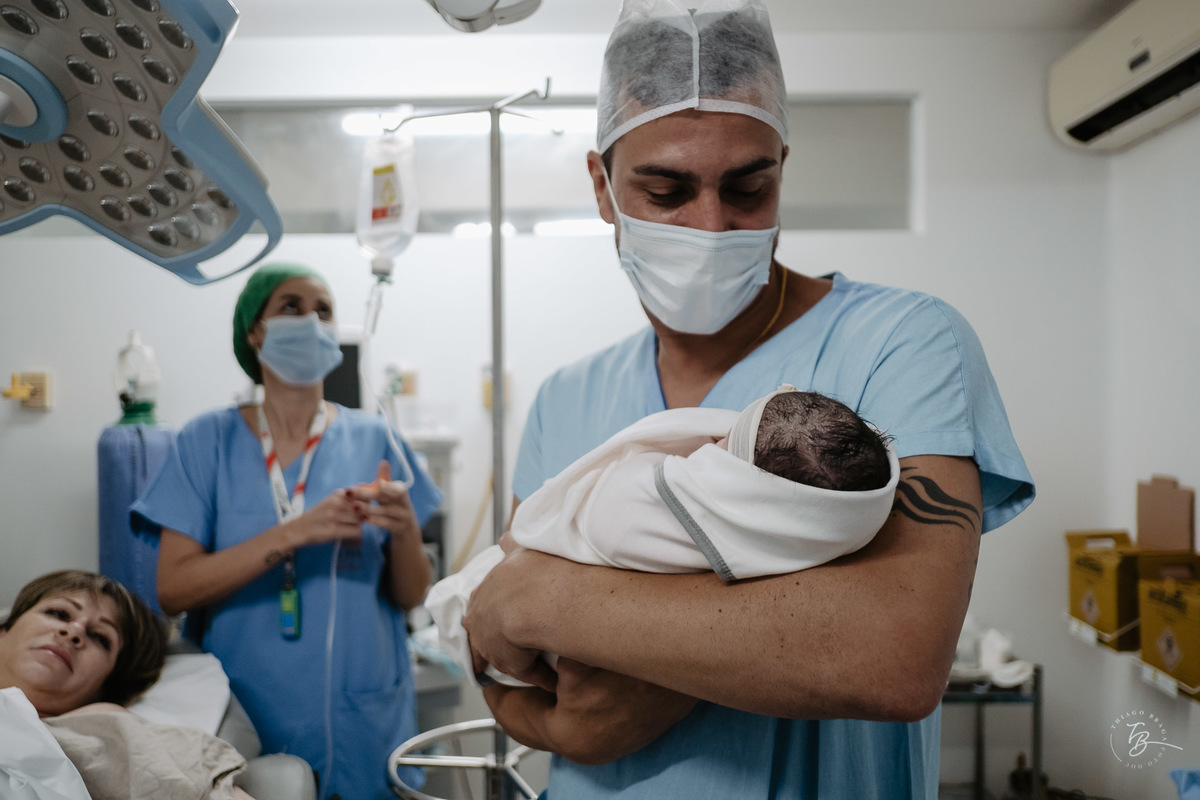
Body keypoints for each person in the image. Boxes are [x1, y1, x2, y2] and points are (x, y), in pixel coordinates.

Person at [460, 0, 1036, 796]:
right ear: (601, 185)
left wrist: (548, 595)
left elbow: (894, 657)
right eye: (665, 191)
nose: (711, 226)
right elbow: (503, 651)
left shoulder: (903, 342)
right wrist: (575, 712)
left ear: (781, 172)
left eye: (747, 189)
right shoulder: (569, 398)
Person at [131, 262, 443, 800]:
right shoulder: (208, 441)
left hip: (364, 719)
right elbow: (173, 590)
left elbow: (412, 594)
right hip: (246, 713)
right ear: (255, 332)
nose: (312, 321)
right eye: (291, 307)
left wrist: (405, 530)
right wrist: (296, 532)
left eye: (324, 310)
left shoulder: (375, 439)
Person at [429, 385, 899, 688]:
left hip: (558, 635)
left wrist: (534, 565)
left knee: (469, 605)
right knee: (480, 602)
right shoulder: (564, 393)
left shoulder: (680, 505)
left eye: (723, 447)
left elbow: (605, 517)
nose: (709, 443)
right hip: (521, 601)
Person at [0, 569, 252, 800]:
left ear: (105, 687)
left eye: (100, 638)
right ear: (4, 630)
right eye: (58, 614)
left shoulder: (108, 733)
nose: (75, 631)